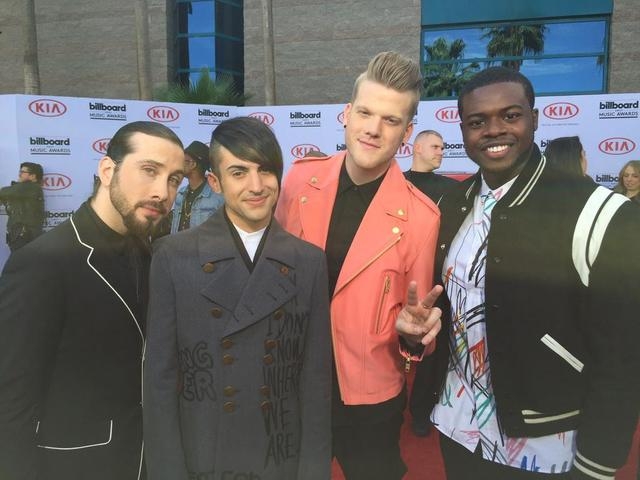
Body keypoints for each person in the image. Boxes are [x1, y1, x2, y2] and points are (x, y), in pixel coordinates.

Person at [396, 66, 640, 479]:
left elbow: (623, 357)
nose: (494, 130)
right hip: (458, 427)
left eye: (510, 116)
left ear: (535, 119)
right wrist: (415, 337)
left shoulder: (602, 213)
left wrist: (598, 466)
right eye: (477, 122)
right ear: (463, 131)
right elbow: (446, 314)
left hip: (546, 443)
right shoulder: (452, 204)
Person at [275, 51, 442, 480]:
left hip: (369, 400)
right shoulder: (299, 180)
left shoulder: (422, 217)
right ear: (347, 114)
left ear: (406, 133)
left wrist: (413, 338)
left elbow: (417, 325)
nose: (373, 129)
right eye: (365, 113)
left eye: (390, 120)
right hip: (291, 382)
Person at [143, 116, 332, 480]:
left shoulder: (309, 261)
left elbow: (316, 383)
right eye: (239, 172)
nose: (256, 186)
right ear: (215, 182)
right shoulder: (173, 256)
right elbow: (159, 382)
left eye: (266, 170)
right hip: (205, 452)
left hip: (279, 452)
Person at [0, 121, 185, 480]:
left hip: (145, 460)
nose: (162, 192)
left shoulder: (149, 253)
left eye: (174, 179)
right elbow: (11, 402)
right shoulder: (43, 262)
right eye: (149, 170)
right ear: (107, 170)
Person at [404, 129, 458, 437]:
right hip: (397, 278)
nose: (441, 151)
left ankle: (422, 411)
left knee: (433, 350)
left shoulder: (452, 190)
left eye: (443, 147)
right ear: (417, 147)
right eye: (435, 146)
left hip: (437, 282)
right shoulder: (393, 183)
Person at [170, 140, 224, 233]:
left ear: (193, 164)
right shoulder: (181, 193)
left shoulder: (217, 196)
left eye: (183, 161)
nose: (179, 165)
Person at [404, 129, 458, 204]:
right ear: (418, 148)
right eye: (435, 147)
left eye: (442, 149)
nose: (441, 153)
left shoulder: (453, 187)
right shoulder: (395, 182)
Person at [0, 161, 45, 251]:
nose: (19, 174)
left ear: (33, 176)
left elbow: (4, 192)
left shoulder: (32, 188)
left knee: (20, 259)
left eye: (23, 172)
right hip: (17, 235)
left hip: (25, 235)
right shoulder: (20, 191)